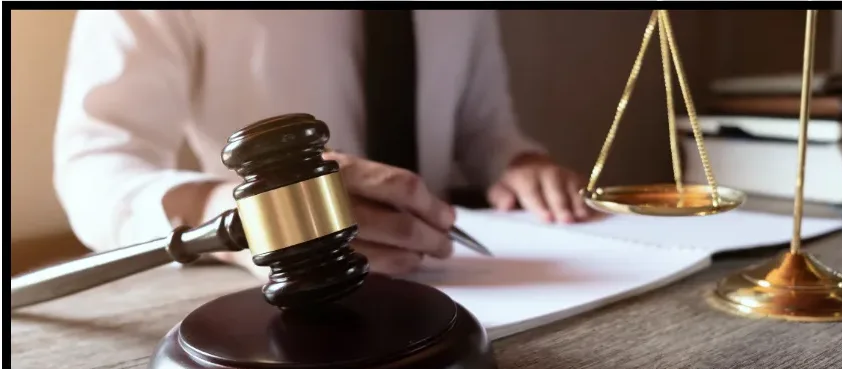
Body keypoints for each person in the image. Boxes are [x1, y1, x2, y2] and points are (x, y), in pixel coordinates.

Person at [53, 10, 592, 280]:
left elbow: (482, 124)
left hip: (458, 276)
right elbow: (94, 164)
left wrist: (518, 160)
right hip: (273, 304)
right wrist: (241, 217)